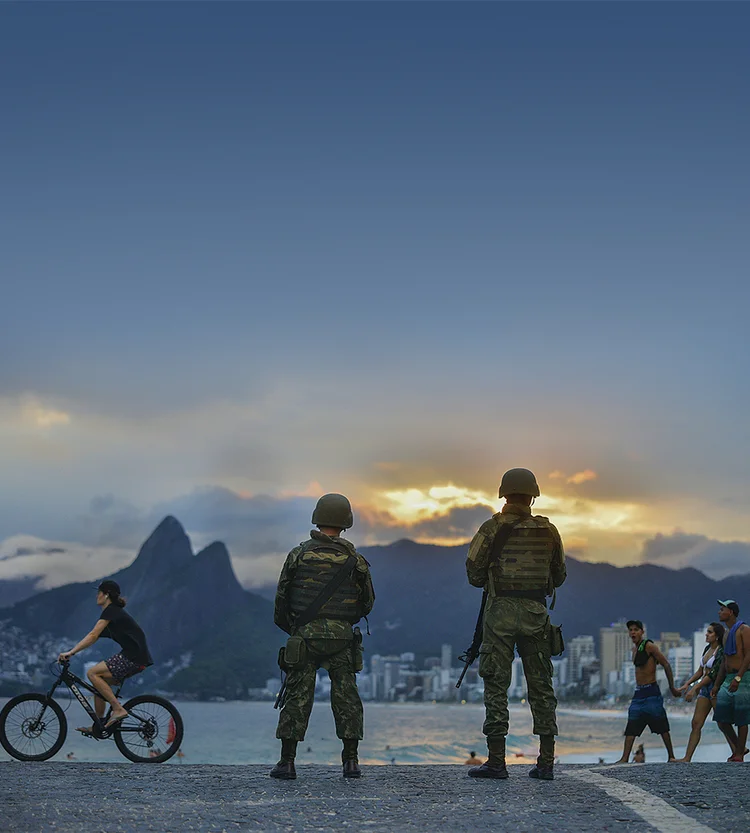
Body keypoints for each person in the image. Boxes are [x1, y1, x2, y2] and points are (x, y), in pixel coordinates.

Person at [465, 468, 566, 781]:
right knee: (541, 687)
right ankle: (546, 762)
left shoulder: (491, 528)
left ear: (503, 494)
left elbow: (473, 574)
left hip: (500, 615)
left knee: (496, 685)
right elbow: (559, 575)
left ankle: (497, 761)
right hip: (537, 614)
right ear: (533, 495)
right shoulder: (549, 531)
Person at [271, 493, 375, 780]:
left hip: (305, 637)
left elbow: (281, 600)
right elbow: (367, 603)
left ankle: (287, 762)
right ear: (346, 522)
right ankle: (351, 762)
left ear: (317, 518)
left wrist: (295, 629)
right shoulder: (355, 560)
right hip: (342, 639)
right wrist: (342, 623)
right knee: (347, 697)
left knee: (297, 696)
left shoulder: (298, 554)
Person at [57, 580, 153, 733]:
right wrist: (74, 651)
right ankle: (99, 725)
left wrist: (70, 652)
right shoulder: (114, 614)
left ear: (106, 594)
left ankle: (118, 709)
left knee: (92, 673)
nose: (97, 596)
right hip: (137, 657)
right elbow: (91, 638)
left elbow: (93, 634)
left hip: (133, 656)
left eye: (99, 593)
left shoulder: (112, 610)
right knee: (99, 684)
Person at [615, 620, 681, 763]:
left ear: (642, 632)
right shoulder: (634, 650)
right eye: (630, 630)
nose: (633, 632)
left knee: (662, 725)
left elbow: (666, 664)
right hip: (639, 693)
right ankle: (624, 758)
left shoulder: (649, 646)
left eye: (636, 630)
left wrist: (672, 687)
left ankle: (671, 756)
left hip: (652, 692)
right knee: (631, 725)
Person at [676, 622, 725, 762]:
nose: (706, 634)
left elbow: (712, 675)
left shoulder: (721, 651)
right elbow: (700, 671)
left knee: (722, 723)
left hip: (715, 688)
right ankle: (687, 757)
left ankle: (738, 751)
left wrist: (694, 689)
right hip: (704, 689)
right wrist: (687, 684)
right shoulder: (707, 648)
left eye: (710, 632)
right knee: (696, 723)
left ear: (717, 636)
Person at [711, 600, 750, 762]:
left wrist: (739, 677)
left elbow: (749, 655)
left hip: (743, 676)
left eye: (722, 609)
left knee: (742, 717)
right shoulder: (727, 634)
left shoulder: (744, 629)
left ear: (731, 612)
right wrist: (717, 684)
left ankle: (739, 754)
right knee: (721, 719)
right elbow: (725, 662)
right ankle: (740, 748)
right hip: (727, 677)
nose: (719, 612)